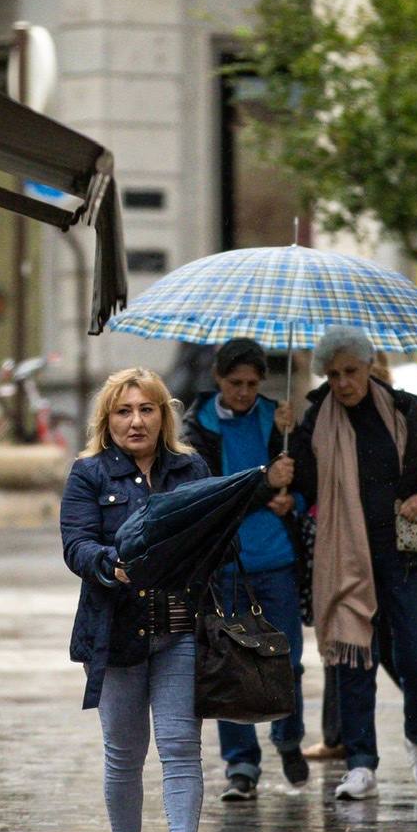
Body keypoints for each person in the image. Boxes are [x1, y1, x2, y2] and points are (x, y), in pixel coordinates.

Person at [62, 367, 290, 832]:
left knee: (181, 747)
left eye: (146, 409)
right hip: (117, 632)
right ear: (107, 419)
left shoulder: (191, 469)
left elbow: (214, 535)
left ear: (164, 415)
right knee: (123, 752)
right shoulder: (88, 474)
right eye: (124, 411)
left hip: (181, 627)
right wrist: (107, 563)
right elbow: (75, 544)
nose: (135, 421)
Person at [289, 326, 417, 800]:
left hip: (408, 553)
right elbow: (303, 479)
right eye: (334, 374)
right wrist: (285, 441)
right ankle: (361, 762)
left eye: (351, 372)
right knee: (353, 657)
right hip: (345, 555)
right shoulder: (315, 418)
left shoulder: (409, 411)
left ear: (367, 367)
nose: (342, 383)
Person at [181, 337, 305, 801]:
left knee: (287, 660)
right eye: (236, 383)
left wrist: (295, 496)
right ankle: (241, 763)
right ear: (218, 380)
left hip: (276, 559)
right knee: (231, 665)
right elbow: (210, 495)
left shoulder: (278, 419)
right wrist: (262, 486)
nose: (245, 392)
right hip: (225, 563)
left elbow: (300, 478)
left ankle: (288, 737)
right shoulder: (198, 429)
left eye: (253, 383)